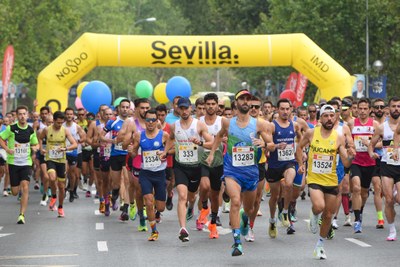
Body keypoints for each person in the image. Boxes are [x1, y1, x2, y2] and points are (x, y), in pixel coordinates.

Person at [206, 89, 271, 256]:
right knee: (235, 201)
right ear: (236, 103)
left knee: (249, 209)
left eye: (247, 99)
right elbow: (219, 136)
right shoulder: (228, 123)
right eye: (242, 98)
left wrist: (263, 144)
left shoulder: (259, 124)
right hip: (232, 170)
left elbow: (271, 144)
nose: (245, 101)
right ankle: (236, 242)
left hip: (251, 172)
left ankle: (244, 218)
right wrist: (213, 153)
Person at [296, 105, 353, 259]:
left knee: (328, 214)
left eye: (331, 116)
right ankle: (314, 215)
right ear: (320, 118)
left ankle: (320, 245)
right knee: (319, 206)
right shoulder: (311, 133)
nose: (329, 119)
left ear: (335, 118)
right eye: (326, 116)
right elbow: (299, 148)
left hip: (331, 179)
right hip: (314, 178)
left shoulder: (338, 137)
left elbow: (346, 163)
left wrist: (351, 156)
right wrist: (301, 163)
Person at [160, 97, 213, 243]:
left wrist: (200, 142)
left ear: (191, 108)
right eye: (181, 108)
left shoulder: (199, 125)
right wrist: (165, 152)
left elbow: (212, 143)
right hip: (180, 166)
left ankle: (191, 206)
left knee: (191, 196)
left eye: (186, 108)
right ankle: (183, 229)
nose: (184, 111)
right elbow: (170, 139)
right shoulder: (174, 126)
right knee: (182, 196)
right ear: (177, 109)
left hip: (196, 166)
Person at [128, 109, 169, 241]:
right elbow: (134, 152)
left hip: (160, 173)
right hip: (145, 173)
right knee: (149, 201)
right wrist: (131, 151)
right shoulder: (139, 136)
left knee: (161, 207)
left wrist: (165, 154)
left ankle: (157, 213)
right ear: (145, 121)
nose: (150, 123)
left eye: (153, 120)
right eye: (148, 120)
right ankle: (154, 231)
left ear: (157, 121)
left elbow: (172, 148)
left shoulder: (164, 135)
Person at [0, 105, 39, 224]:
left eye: (24, 114)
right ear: (17, 116)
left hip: (26, 163)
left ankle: (21, 215)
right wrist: (6, 148)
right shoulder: (11, 128)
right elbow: (1, 139)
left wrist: (35, 148)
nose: (22, 116)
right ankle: (16, 191)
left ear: (27, 115)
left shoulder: (31, 130)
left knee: (25, 186)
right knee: (15, 191)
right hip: (13, 163)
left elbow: (36, 144)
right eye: (20, 114)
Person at [347, 98, 380, 233]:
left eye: (365, 108)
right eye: (360, 108)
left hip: (370, 162)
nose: (362, 111)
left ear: (369, 110)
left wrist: (371, 144)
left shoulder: (375, 125)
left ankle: (359, 211)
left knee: (364, 193)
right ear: (356, 109)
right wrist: (350, 148)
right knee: (355, 188)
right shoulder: (351, 123)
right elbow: (346, 140)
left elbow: (382, 143)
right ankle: (356, 220)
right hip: (356, 161)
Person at [370, 96, 400, 241]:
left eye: (399, 106)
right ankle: (392, 230)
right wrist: (371, 153)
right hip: (387, 165)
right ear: (389, 109)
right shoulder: (382, 128)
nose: (396, 109)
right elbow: (371, 143)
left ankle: (396, 194)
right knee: (388, 200)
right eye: (394, 106)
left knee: (398, 198)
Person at [39, 111, 77, 218]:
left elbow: (74, 144)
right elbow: (40, 137)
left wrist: (65, 148)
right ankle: (53, 196)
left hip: (61, 160)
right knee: (51, 177)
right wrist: (41, 148)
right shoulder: (47, 129)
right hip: (50, 158)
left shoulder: (65, 131)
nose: (60, 125)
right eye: (58, 123)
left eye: (61, 123)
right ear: (54, 121)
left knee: (61, 186)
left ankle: (60, 207)